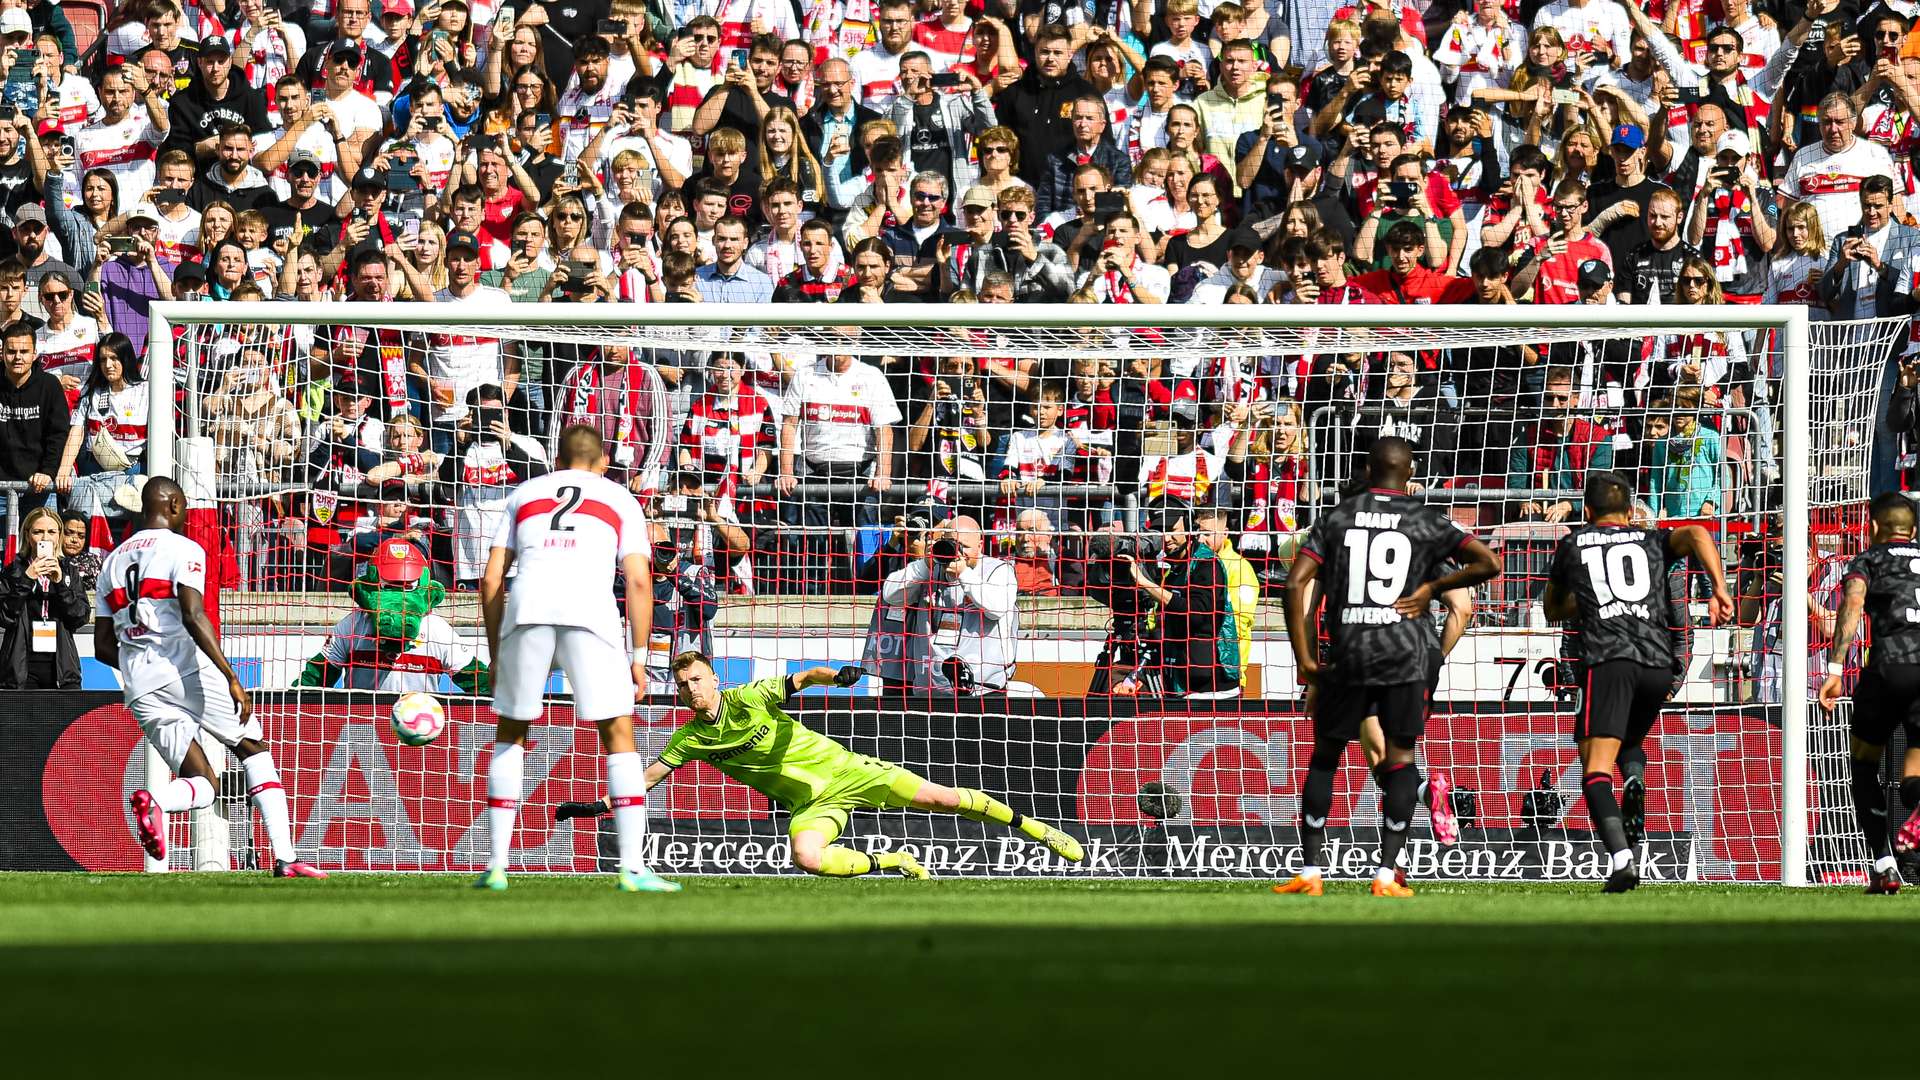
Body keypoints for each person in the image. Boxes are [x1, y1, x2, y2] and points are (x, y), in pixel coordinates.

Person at [554, 650, 1084, 879]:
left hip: (850, 771)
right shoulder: (691, 738)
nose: (692, 689)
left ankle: (1040, 830)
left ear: (714, 678)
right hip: (811, 802)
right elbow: (648, 778)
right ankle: (893, 862)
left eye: (699, 679)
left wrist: (841, 677)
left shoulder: (751, 696)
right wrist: (597, 806)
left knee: (943, 799)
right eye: (684, 683)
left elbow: (803, 679)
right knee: (806, 857)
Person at [1277, 437, 1502, 897]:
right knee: (1398, 759)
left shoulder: (1337, 517)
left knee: (1327, 757)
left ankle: (1311, 870)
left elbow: (1295, 585)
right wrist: (1433, 591)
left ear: (1365, 467)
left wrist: (1306, 662)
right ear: (1412, 471)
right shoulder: (1425, 521)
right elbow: (1485, 571)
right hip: (1409, 657)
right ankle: (1386, 873)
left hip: (1349, 654)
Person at [477, 425, 671, 894]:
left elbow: (490, 579)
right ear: (603, 460)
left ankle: (497, 867)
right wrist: (640, 657)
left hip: (528, 607)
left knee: (512, 731)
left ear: (557, 460)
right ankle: (631, 869)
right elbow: (640, 582)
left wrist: (497, 651)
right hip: (590, 612)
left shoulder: (525, 492)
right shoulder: (620, 497)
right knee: (617, 732)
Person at [103, 478, 326, 878]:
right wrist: (230, 676)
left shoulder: (112, 560)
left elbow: (104, 646)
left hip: (139, 683)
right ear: (172, 506)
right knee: (252, 747)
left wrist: (145, 667)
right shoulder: (184, 548)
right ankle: (286, 858)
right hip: (186, 668)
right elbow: (193, 615)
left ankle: (158, 799)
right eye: (184, 507)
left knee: (203, 782)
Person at [1545, 471, 1734, 892]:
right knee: (1626, 742)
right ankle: (1634, 779)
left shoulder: (1572, 545)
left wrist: (1577, 595)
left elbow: (1553, 610)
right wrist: (1718, 588)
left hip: (1610, 662)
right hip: (1658, 665)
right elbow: (1699, 532)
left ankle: (1623, 858)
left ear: (1587, 512)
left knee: (1593, 768)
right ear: (1631, 512)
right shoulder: (1651, 541)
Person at [1818, 493, 1920, 894]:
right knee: (1914, 767)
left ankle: (1883, 864)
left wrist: (1834, 668)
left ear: (1874, 527)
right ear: (1913, 530)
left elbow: (1853, 603)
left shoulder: (1869, 560)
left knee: (1863, 765)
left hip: (1889, 669)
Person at [294, 538, 491, 693]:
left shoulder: (437, 629)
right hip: (361, 729)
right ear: (374, 583)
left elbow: (476, 679)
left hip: (421, 729)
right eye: (391, 585)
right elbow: (315, 677)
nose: (399, 595)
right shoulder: (352, 625)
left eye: (407, 586)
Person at [0, 506, 90, 688]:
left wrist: (60, 585)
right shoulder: (14, 571)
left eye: (51, 532)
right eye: (38, 532)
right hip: (21, 669)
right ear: (27, 535)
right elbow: (3, 617)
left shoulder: (69, 572)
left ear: (59, 535)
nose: (45, 538)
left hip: (61, 669)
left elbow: (80, 617)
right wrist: (26, 580)